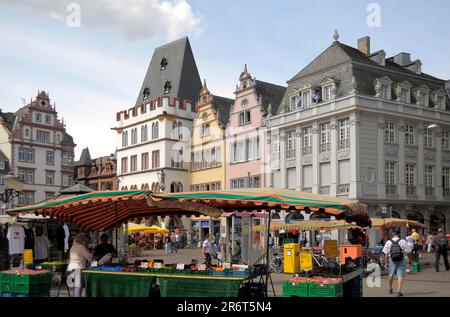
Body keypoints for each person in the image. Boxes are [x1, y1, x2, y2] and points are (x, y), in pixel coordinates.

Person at [382, 230, 412, 297]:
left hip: (391, 260)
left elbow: (386, 253)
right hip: (401, 259)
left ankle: (390, 288)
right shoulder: (403, 241)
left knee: (390, 274)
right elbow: (409, 252)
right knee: (400, 275)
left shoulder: (388, 242)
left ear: (393, 234)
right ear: (399, 234)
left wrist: (386, 262)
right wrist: (410, 260)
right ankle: (399, 291)